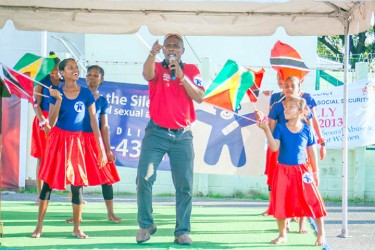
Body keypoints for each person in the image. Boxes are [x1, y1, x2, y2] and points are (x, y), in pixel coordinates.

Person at [136, 33, 204, 245]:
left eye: (176, 46)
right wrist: (151, 52)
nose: (172, 48)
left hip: (182, 135)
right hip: (156, 132)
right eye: (168, 46)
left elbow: (200, 97)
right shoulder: (156, 67)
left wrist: (182, 77)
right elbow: (147, 75)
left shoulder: (192, 70)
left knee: (184, 185)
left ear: (183, 50)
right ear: (163, 49)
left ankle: (182, 231)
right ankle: (146, 225)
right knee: (144, 178)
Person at [30, 58, 107, 239]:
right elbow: (51, 122)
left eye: (76, 67)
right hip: (57, 140)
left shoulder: (87, 94)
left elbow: (95, 123)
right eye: (70, 67)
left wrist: (101, 148)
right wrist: (57, 101)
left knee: (77, 185)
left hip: (76, 143)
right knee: (47, 184)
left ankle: (77, 228)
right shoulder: (55, 92)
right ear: (62, 73)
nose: (75, 69)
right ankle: (39, 226)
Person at [257, 96, 327, 246]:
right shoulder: (281, 128)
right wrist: (266, 129)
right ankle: (282, 235)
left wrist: (315, 172)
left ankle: (321, 234)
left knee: (313, 200)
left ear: (300, 111)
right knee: (280, 201)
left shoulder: (307, 130)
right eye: (286, 107)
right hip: (283, 170)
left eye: (291, 107)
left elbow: (312, 153)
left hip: (303, 171)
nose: (286, 109)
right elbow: (274, 147)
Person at [65, 65, 121, 224]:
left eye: (96, 76)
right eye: (89, 75)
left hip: (96, 142)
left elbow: (105, 126)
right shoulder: (78, 94)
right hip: (78, 141)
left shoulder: (102, 101)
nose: (91, 78)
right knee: (77, 178)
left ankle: (110, 213)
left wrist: (108, 149)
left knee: (106, 178)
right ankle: (77, 215)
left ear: (101, 80)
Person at [30, 52, 60, 205]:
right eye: (50, 67)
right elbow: (35, 103)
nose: (53, 70)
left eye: (55, 67)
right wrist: (43, 121)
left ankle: (73, 195)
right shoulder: (41, 81)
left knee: (64, 157)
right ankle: (39, 195)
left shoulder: (64, 82)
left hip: (60, 121)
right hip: (43, 121)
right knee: (42, 158)